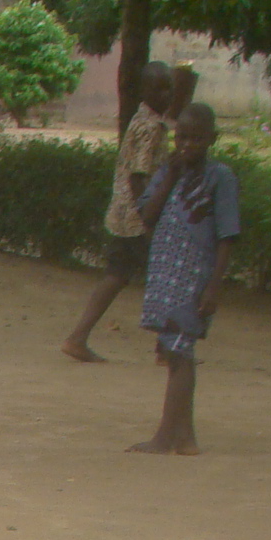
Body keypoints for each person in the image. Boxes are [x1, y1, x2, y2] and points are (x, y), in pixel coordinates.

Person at [130, 102, 238, 457]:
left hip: (194, 275)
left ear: (212, 139)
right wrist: (171, 177)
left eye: (196, 138)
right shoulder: (167, 172)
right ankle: (185, 437)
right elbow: (147, 214)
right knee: (175, 352)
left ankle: (164, 437)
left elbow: (227, 235)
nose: (188, 145)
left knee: (179, 351)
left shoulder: (220, 177)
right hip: (165, 271)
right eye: (182, 138)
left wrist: (215, 284)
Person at [63, 62, 178, 362]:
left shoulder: (143, 119)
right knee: (164, 276)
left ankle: (79, 337)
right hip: (138, 217)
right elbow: (138, 176)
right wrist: (149, 216)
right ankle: (166, 347)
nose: (165, 94)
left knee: (118, 275)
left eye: (169, 88)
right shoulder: (150, 126)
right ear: (144, 90)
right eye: (159, 88)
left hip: (124, 214)